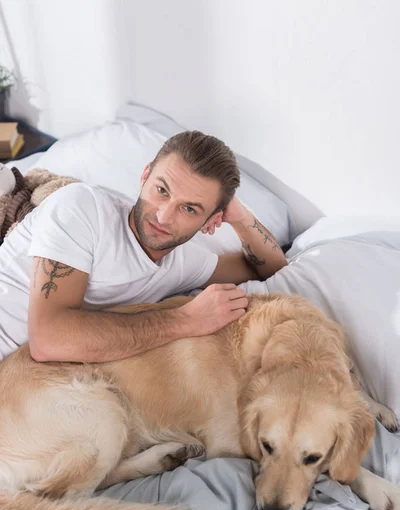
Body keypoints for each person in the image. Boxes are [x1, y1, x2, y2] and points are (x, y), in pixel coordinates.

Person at [0, 131, 287, 364]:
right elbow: (49, 340)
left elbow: (270, 268)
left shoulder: (183, 262)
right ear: (144, 176)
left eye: (188, 209)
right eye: (161, 191)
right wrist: (185, 320)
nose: (163, 216)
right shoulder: (82, 208)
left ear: (209, 221)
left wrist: (241, 218)